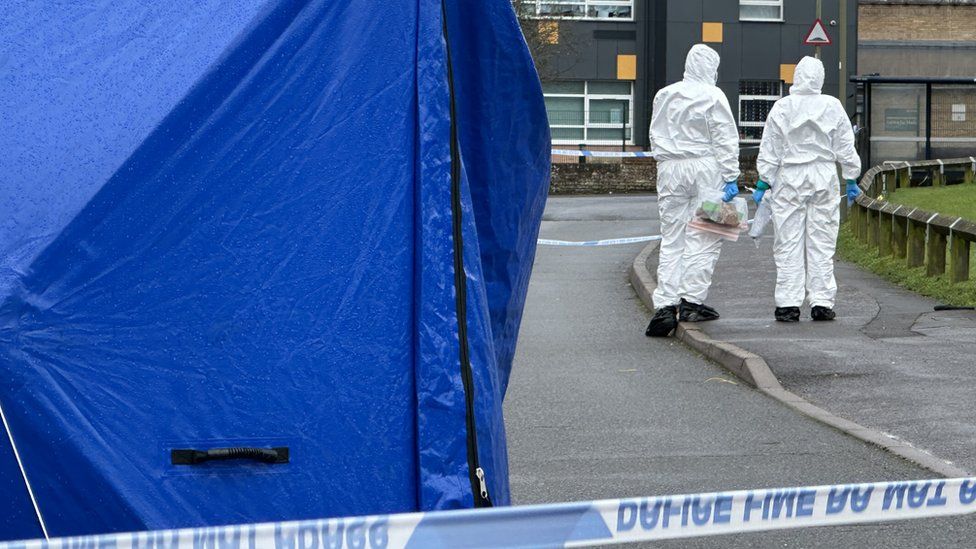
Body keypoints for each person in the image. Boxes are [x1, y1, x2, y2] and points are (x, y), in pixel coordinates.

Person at [753, 56, 862, 322]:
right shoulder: (832, 106)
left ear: (796, 76)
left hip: (790, 177)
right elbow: (845, 145)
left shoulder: (782, 107)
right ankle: (821, 302)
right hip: (823, 175)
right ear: (821, 78)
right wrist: (851, 178)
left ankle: (788, 304)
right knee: (822, 241)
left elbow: (771, 146)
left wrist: (763, 181)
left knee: (788, 241)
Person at [645, 44, 740, 338]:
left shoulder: (665, 94)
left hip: (670, 169)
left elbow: (654, 132)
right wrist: (731, 175)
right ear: (711, 67)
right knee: (707, 234)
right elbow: (724, 136)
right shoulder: (714, 95)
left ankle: (664, 306)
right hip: (706, 169)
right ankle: (691, 302)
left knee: (672, 237)